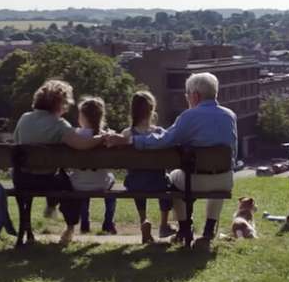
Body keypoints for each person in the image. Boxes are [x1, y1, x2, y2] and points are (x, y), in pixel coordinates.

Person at [107, 73, 236, 249]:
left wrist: (130, 140)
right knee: (218, 175)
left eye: (187, 94)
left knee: (174, 179)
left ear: (195, 96)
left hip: (195, 181)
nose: (187, 98)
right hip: (224, 180)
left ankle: (184, 229)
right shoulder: (230, 116)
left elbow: (163, 140)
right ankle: (208, 231)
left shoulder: (189, 116)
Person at [13, 79, 103, 245]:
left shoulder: (24, 119)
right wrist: (101, 138)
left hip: (22, 179)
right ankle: (69, 228)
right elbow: (82, 145)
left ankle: (24, 232)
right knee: (71, 191)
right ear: (60, 104)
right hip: (47, 181)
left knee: (48, 179)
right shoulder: (59, 125)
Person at [121, 91, 176, 244]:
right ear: (152, 110)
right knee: (168, 181)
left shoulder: (126, 134)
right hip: (158, 183)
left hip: (135, 184)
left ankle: (144, 219)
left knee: (137, 179)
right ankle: (164, 224)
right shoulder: (159, 133)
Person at [68, 97, 117, 235]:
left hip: (78, 183)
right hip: (102, 183)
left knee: (83, 183)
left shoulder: (74, 134)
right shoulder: (107, 136)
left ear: (82, 116)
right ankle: (108, 222)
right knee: (111, 181)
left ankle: (85, 223)